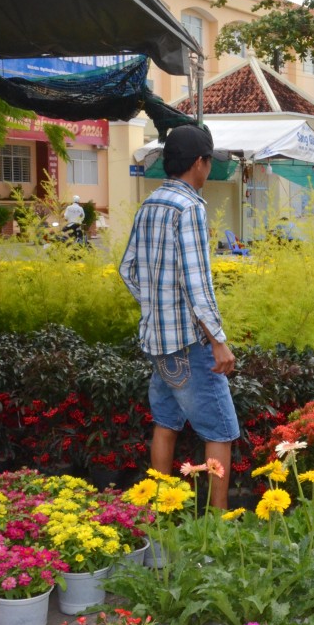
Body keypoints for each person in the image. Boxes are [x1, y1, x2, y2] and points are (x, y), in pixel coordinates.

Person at [119, 124, 239, 508]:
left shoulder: (151, 203)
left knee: (165, 424)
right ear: (199, 164)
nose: (208, 170)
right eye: (208, 162)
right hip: (190, 343)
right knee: (220, 431)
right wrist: (218, 342)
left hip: (157, 341)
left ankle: (159, 511)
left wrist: (157, 305)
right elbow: (197, 285)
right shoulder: (189, 208)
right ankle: (217, 526)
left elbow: (128, 269)